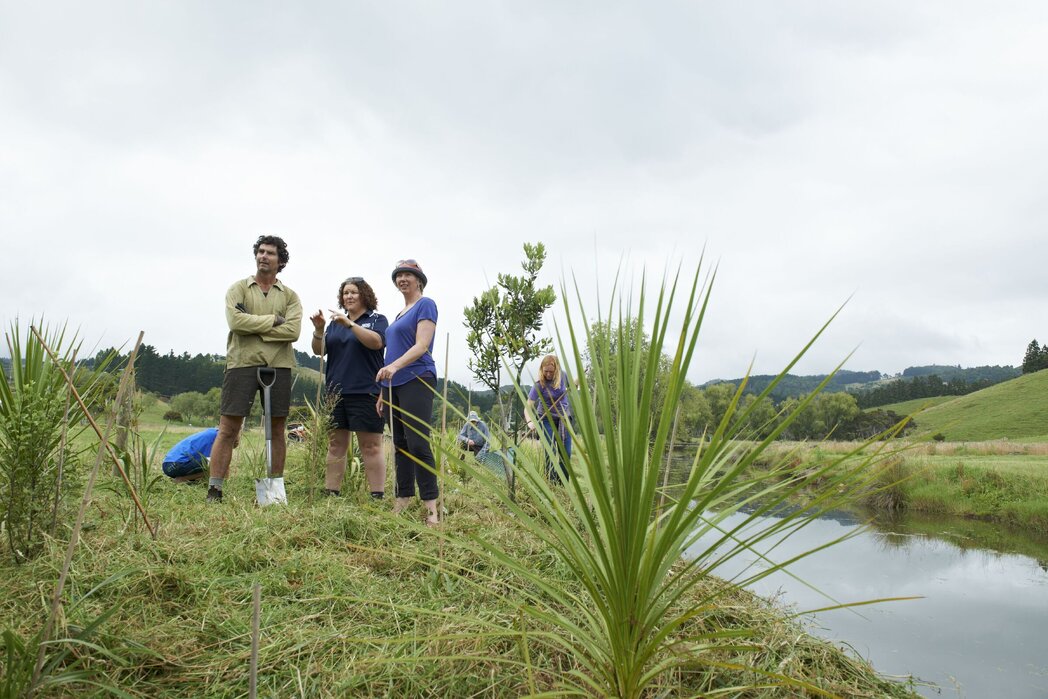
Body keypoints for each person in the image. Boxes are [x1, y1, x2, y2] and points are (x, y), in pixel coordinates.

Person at [207, 235, 302, 503]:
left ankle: (275, 489)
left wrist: (255, 327)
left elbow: (293, 331)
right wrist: (273, 321)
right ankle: (215, 488)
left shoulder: (290, 296)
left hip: (279, 366)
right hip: (242, 363)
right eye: (260, 251)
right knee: (228, 428)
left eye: (270, 253)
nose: (264, 256)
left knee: (277, 428)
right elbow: (235, 323)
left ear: (280, 260)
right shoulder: (238, 289)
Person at [310, 277, 388, 498]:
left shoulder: (376, 319)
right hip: (336, 392)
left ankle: (377, 496)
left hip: (366, 390)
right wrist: (319, 330)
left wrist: (351, 325)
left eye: (354, 292)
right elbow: (319, 350)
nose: (349, 296)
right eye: (345, 293)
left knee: (370, 446)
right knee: (336, 445)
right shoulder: (335, 324)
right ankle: (331, 493)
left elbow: (376, 342)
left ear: (364, 295)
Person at [375, 259, 439, 526]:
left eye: (407, 275)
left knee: (417, 443)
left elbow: (422, 345)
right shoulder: (400, 314)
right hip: (393, 384)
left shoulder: (426, 304)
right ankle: (403, 499)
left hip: (417, 378)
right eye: (398, 275)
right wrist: (382, 391)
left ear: (418, 280)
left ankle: (432, 509)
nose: (402, 279)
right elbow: (393, 352)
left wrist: (395, 366)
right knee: (399, 444)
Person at [526, 354, 573, 484]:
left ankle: (562, 484)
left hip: (564, 417)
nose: (547, 374)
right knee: (550, 451)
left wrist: (576, 384)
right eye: (545, 371)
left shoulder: (563, 376)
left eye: (550, 372)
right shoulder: (539, 384)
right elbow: (528, 406)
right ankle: (551, 483)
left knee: (566, 452)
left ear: (556, 370)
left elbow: (573, 388)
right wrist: (530, 422)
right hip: (546, 418)